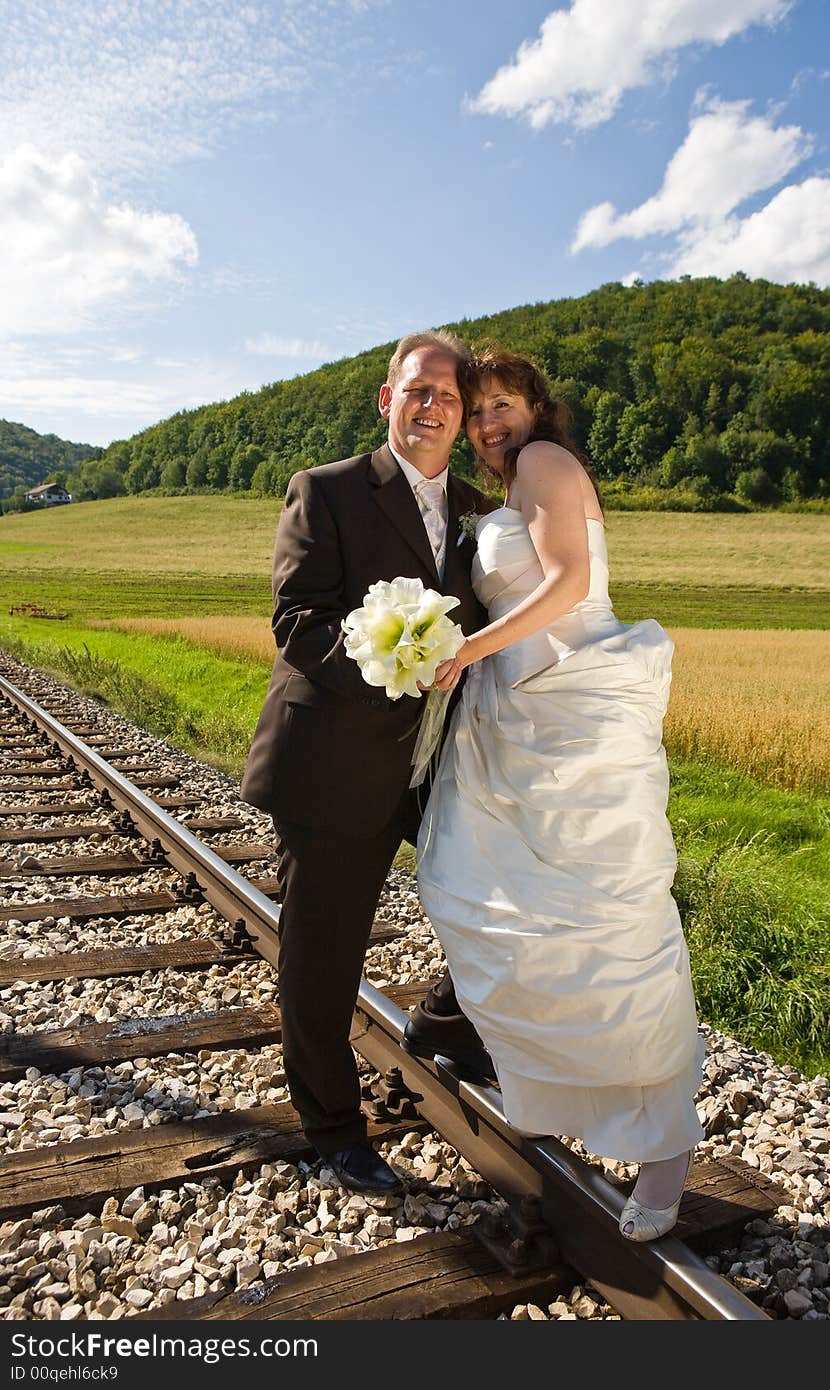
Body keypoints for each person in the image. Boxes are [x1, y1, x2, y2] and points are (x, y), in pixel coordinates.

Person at [415, 347, 705, 1241]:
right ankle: (544, 1081)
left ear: (536, 409)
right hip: (515, 714)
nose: (491, 422)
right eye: (480, 409)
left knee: (609, 928)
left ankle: (664, 1157)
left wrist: (464, 650)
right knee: (500, 907)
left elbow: (571, 584)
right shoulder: (502, 490)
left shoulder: (543, 464)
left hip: (570, 707)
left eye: (504, 404)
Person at [240, 330, 495, 1196]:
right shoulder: (329, 491)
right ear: (387, 400)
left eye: (448, 397)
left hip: (435, 766)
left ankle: (443, 1025)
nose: (430, 406)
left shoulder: (476, 512)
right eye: (416, 391)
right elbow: (299, 621)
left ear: (462, 419)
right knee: (324, 954)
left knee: (500, 894)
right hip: (333, 761)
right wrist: (394, 666)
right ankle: (333, 1128)